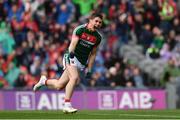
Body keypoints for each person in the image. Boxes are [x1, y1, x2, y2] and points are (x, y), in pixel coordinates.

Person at [33, 12, 103, 113]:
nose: (98, 24)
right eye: (96, 21)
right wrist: (71, 53)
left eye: (100, 23)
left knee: (59, 86)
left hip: (81, 62)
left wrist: (90, 69)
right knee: (74, 78)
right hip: (71, 56)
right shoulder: (80, 29)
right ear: (90, 20)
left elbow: (93, 54)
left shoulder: (98, 37)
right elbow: (73, 44)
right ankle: (67, 105)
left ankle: (44, 81)